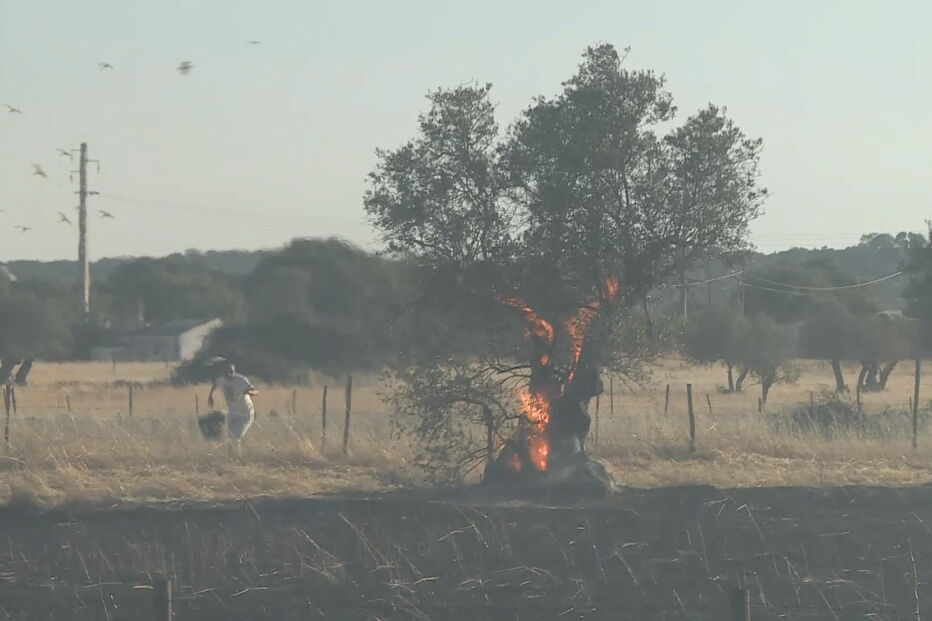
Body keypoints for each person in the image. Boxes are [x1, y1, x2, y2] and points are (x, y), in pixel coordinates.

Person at [207, 362, 259, 447]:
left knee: (236, 436)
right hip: (233, 414)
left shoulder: (241, 380)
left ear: (234, 371)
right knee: (231, 437)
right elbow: (214, 386)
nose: (229, 374)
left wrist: (249, 392)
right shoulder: (221, 380)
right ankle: (233, 456)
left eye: (232, 372)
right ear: (223, 373)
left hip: (246, 414)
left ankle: (236, 456)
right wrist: (210, 396)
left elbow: (255, 391)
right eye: (227, 372)